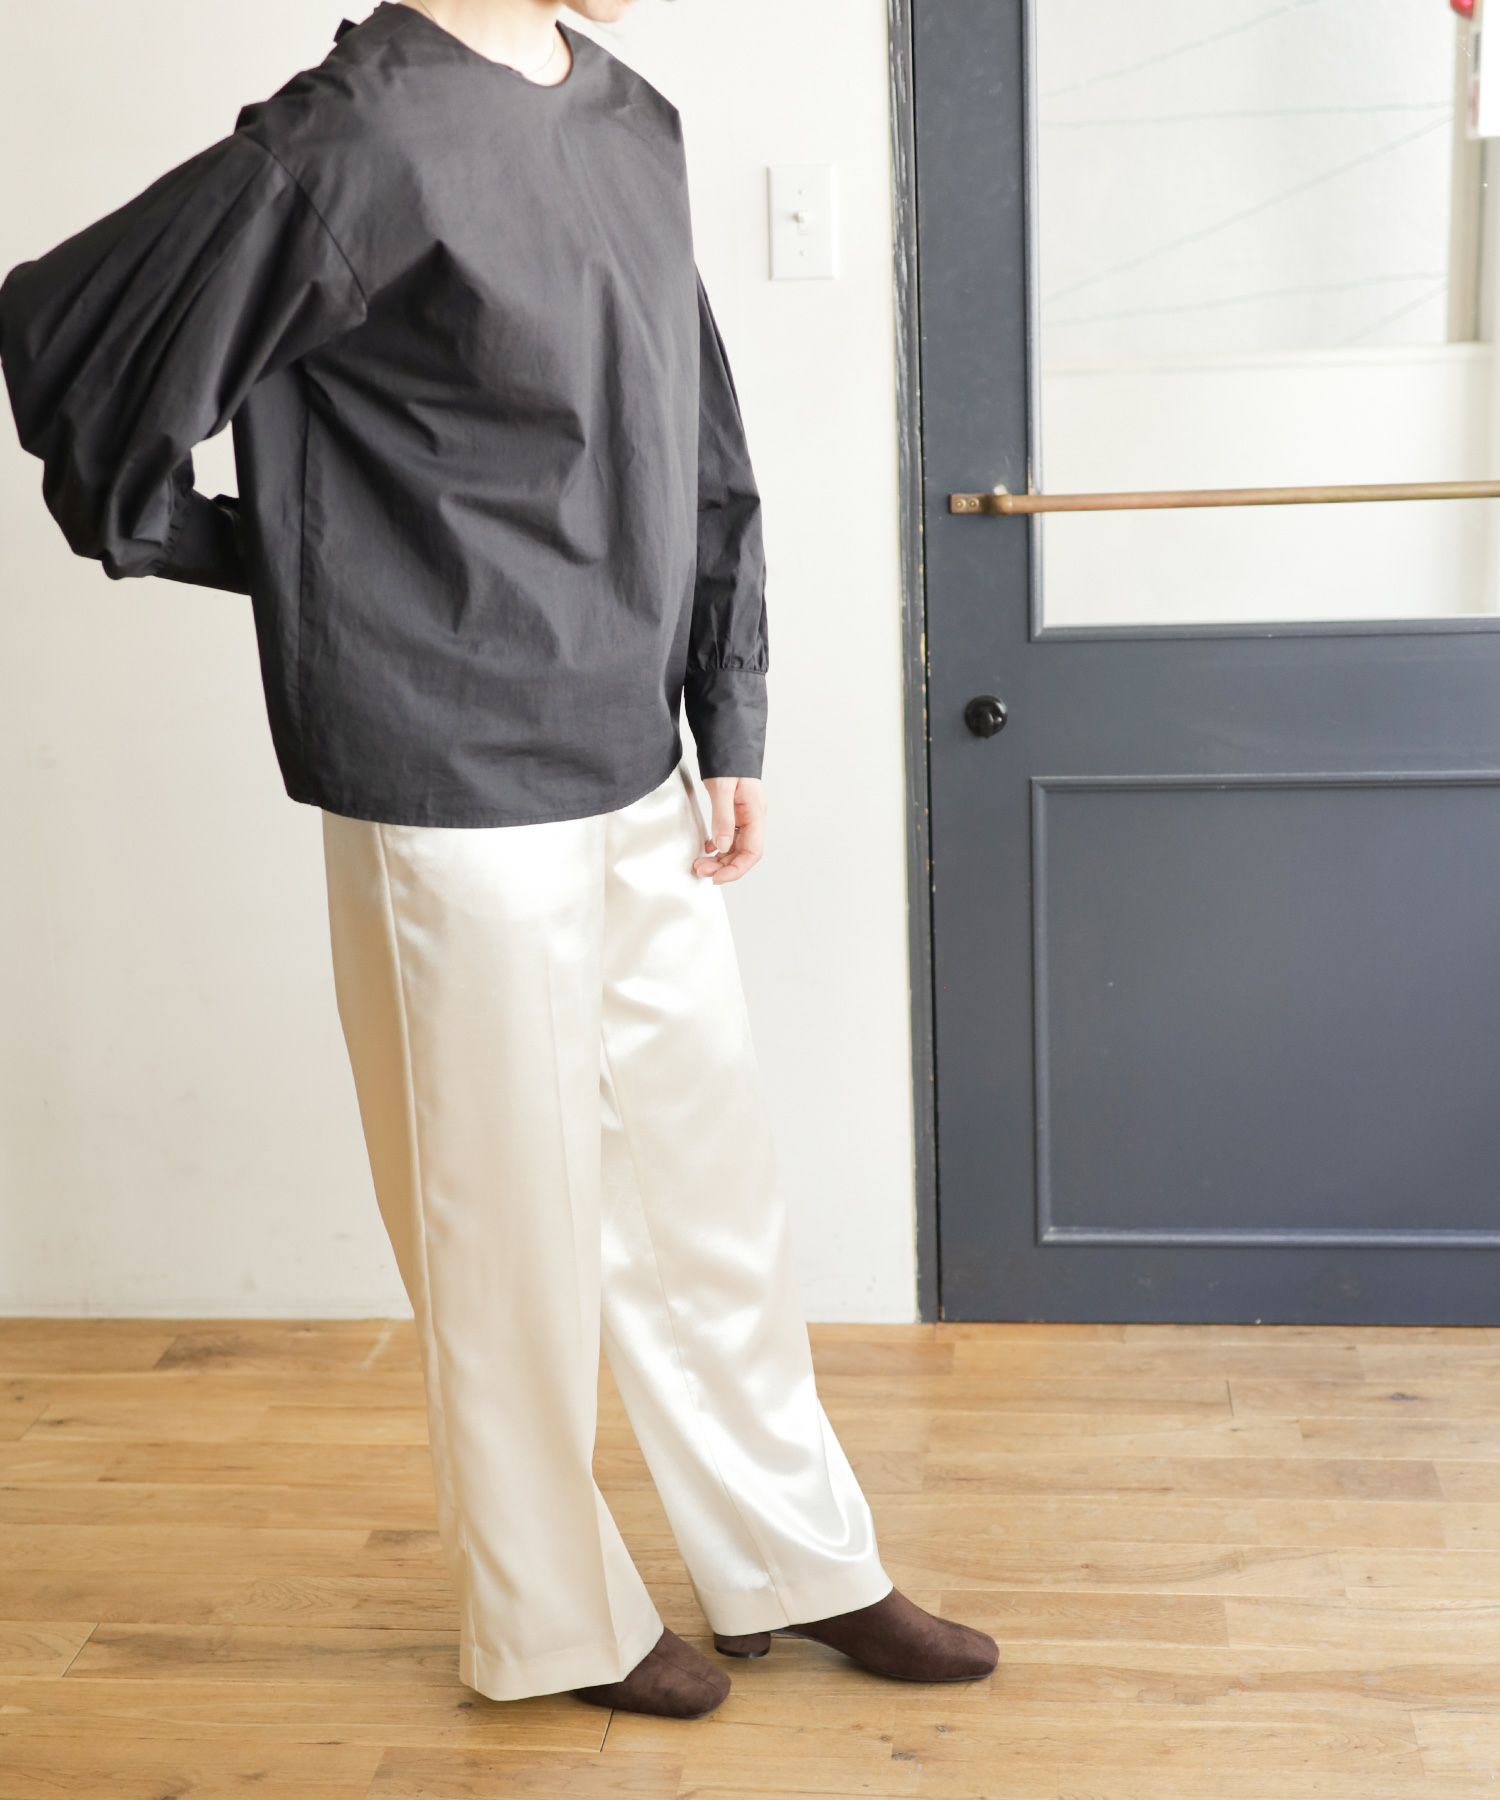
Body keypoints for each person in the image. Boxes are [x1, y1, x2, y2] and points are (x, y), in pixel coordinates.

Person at [0, 0, 998, 1719]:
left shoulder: (629, 116)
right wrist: (311, 571)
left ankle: (795, 1559)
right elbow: (73, 355)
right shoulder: (353, 137)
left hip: (629, 755)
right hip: (444, 777)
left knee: (705, 1200)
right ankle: (551, 1623)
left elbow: (700, 432)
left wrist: (728, 703)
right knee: (505, 1231)